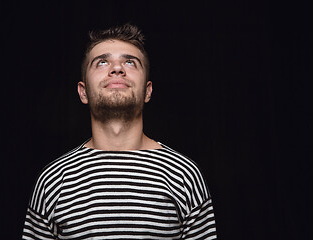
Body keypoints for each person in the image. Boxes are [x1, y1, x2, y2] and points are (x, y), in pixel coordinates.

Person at [22, 23, 217, 239]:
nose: (117, 69)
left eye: (130, 62)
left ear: (148, 91)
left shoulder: (184, 176)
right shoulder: (53, 181)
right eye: (102, 62)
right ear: (83, 92)